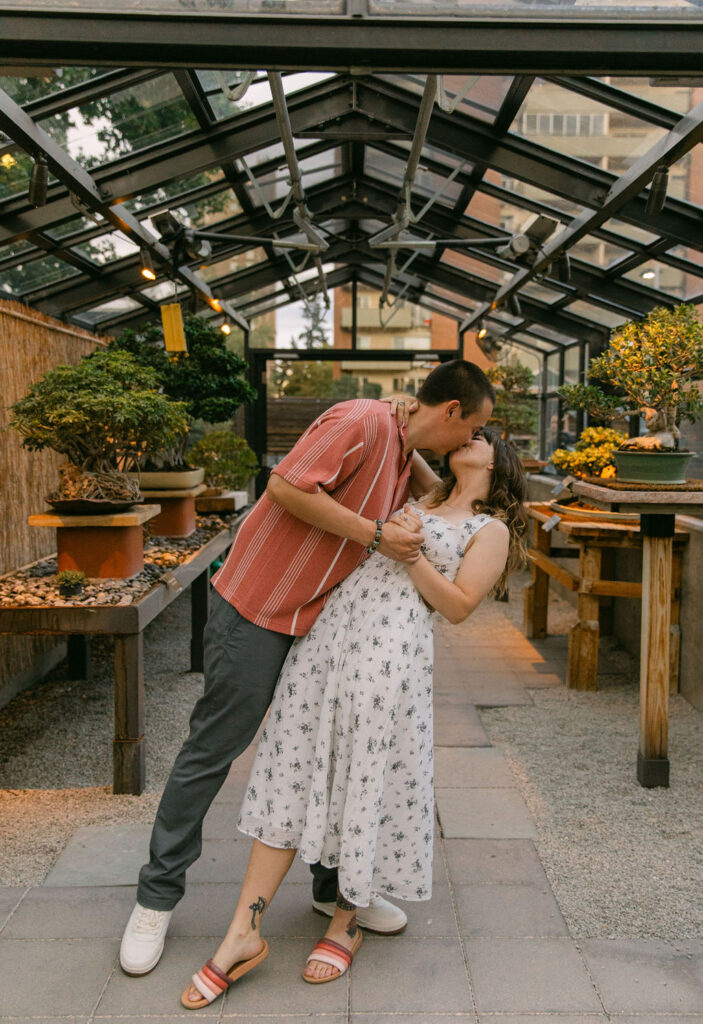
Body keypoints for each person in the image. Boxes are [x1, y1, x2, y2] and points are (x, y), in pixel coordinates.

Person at [120, 359, 495, 976]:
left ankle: (331, 889)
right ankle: (155, 899)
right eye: (473, 427)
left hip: (318, 623)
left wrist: (431, 445)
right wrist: (375, 534)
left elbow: (443, 494)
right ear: (452, 412)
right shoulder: (362, 419)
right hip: (260, 610)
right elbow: (285, 487)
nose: (473, 440)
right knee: (214, 747)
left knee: (329, 750)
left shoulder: (401, 446)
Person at [180, 427, 527, 1007]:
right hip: (330, 637)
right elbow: (405, 436)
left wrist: (406, 551)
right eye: (464, 428)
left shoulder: (490, 528)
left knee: (366, 779)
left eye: (482, 436)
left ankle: (345, 922)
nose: (468, 435)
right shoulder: (428, 491)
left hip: (391, 655)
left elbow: (461, 606)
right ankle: (242, 931)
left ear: (500, 462)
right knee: (290, 770)